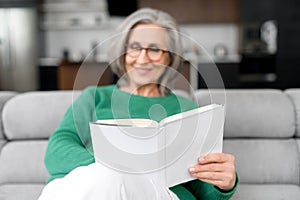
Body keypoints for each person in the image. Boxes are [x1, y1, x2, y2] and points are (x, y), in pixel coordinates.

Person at [38, 8, 238, 200]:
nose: (142, 59)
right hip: (83, 187)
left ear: (170, 58)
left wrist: (224, 183)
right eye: (134, 47)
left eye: (154, 49)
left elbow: (203, 190)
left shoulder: (187, 111)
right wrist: (116, 167)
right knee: (104, 179)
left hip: (158, 194)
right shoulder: (94, 97)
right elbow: (56, 152)